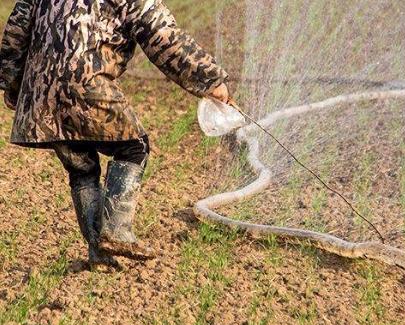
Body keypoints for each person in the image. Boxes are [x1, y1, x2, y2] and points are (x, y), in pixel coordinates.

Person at [0, 0, 232, 265]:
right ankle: (117, 232)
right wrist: (211, 80)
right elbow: (162, 36)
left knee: (82, 170)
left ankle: (99, 253)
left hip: (41, 91)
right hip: (86, 79)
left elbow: (17, 28)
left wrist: (14, 85)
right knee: (135, 147)